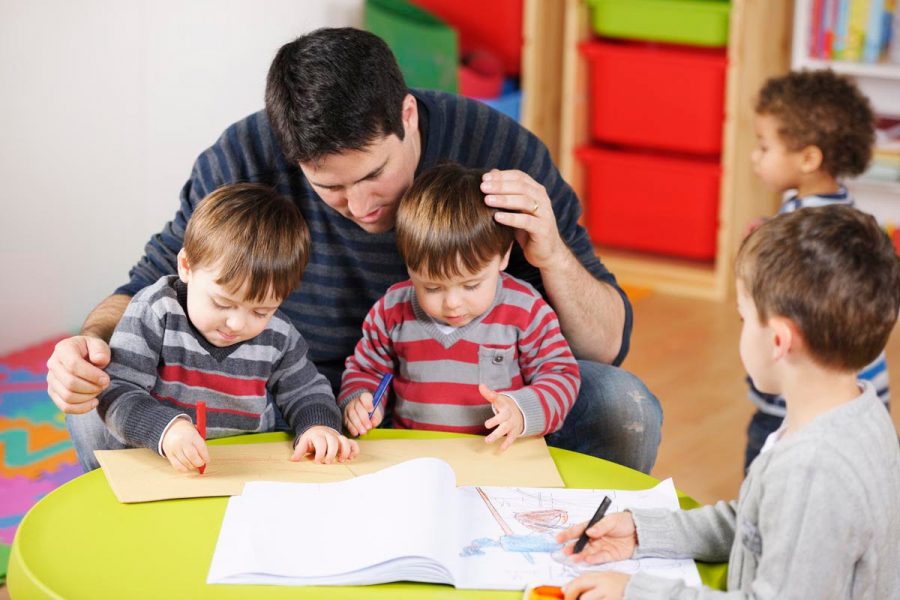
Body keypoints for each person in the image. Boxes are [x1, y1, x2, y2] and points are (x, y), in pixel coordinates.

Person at [46, 27, 662, 472]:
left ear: (409, 116)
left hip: (460, 404)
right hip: (279, 397)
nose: (362, 204)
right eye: (330, 187)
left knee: (621, 403)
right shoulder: (245, 158)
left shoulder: (496, 149)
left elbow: (606, 346)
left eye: (375, 175)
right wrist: (91, 344)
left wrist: (551, 252)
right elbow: (150, 279)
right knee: (91, 405)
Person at [555, 205, 900, 599]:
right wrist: (643, 532)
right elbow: (754, 520)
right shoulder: (856, 412)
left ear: (778, 340)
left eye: (744, 318)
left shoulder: (812, 470)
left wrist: (636, 592)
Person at [93, 183, 358, 472]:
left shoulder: (278, 334)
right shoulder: (157, 311)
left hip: (247, 466)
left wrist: (318, 427)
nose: (237, 324)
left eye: (261, 311)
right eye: (222, 303)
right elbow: (117, 391)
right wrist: (166, 430)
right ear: (186, 266)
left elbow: (306, 390)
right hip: (162, 463)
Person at [341, 163, 580, 450]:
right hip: (416, 457)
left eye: (471, 286)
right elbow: (366, 370)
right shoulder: (392, 311)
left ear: (503, 257)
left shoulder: (525, 311)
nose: (452, 303)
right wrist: (361, 400)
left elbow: (560, 374)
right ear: (409, 266)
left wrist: (522, 411)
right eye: (431, 287)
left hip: (498, 458)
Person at [744, 68, 888, 470]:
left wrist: (754, 252)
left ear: (808, 158)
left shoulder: (796, 232)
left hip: (793, 403)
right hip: (861, 394)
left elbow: (774, 298)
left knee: (763, 494)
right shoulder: (847, 214)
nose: (755, 157)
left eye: (764, 146)